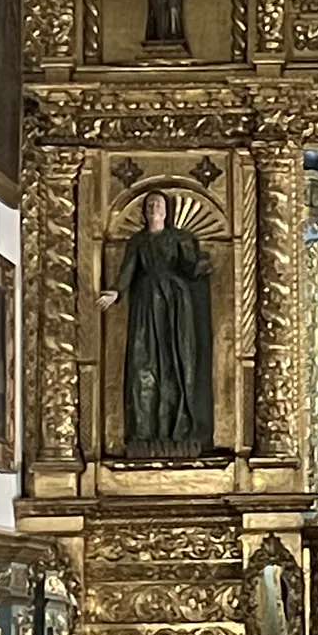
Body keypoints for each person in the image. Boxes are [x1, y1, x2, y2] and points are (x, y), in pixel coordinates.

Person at [99, 190, 213, 456]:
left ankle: (179, 428)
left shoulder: (178, 238)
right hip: (146, 302)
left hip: (175, 303)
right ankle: (144, 430)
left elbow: (190, 266)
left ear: (166, 211)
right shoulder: (137, 241)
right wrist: (116, 291)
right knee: (144, 361)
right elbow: (128, 269)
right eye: (149, 205)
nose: (154, 209)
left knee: (175, 360)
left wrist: (200, 265)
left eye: (158, 205)